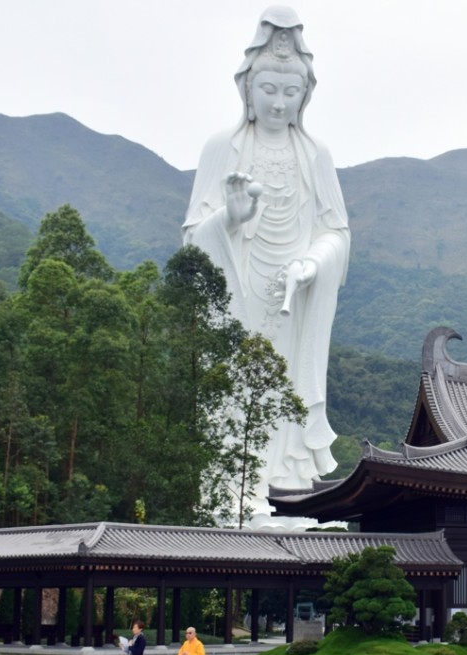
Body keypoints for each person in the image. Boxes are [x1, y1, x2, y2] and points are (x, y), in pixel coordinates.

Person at [182, 5, 349, 524]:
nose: (279, 102)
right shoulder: (222, 147)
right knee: (234, 389)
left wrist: (311, 264)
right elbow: (191, 241)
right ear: (247, 89)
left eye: (290, 92)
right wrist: (227, 221)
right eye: (269, 89)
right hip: (237, 296)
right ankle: (231, 493)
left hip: (293, 298)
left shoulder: (315, 153)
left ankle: (287, 492)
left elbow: (336, 232)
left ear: (305, 95)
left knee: (285, 389)